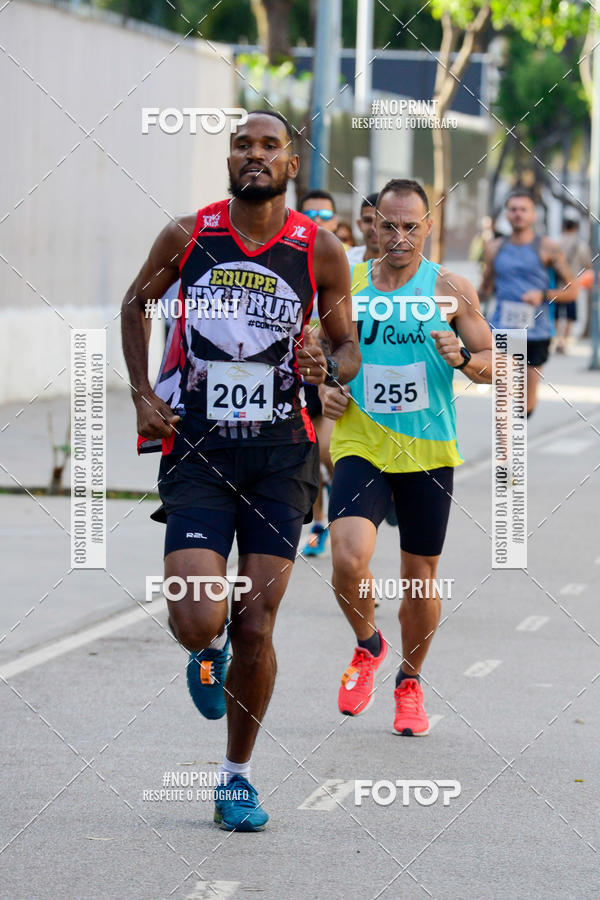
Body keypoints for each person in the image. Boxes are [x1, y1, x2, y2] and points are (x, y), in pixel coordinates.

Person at [121, 110, 360, 831]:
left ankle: (236, 779)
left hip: (282, 453)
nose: (253, 155)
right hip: (199, 448)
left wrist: (328, 367)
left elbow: (348, 349)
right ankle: (205, 650)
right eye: (241, 144)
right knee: (200, 617)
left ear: (292, 164)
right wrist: (141, 392)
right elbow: (137, 303)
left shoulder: (319, 251)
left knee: (257, 623)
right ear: (229, 157)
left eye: (269, 146)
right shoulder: (189, 234)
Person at [320, 178, 493, 735]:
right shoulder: (343, 285)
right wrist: (322, 387)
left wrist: (464, 356)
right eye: (387, 225)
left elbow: (496, 359)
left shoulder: (448, 288)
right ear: (370, 224)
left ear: (429, 225)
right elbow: (317, 354)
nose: (398, 237)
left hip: (427, 449)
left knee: (419, 580)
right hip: (360, 442)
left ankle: (410, 679)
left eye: (410, 226)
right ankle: (368, 646)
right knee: (347, 557)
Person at [479, 190, 577, 415]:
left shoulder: (547, 247)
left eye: (523, 209)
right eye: (513, 209)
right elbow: (485, 288)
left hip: (536, 331)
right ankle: (508, 442)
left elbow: (572, 290)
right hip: (503, 329)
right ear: (507, 214)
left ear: (533, 215)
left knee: (526, 403)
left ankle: (521, 420)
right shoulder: (495, 248)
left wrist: (542, 294)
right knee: (505, 396)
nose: (518, 214)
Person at [297, 189, 341, 557]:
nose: (317, 223)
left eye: (325, 216)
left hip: (327, 377)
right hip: (290, 380)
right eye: (310, 215)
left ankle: (353, 513)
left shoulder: (341, 263)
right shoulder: (287, 258)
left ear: (337, 222)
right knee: (310, 459)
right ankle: (318, 526)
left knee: (328, 454)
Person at [555, 217, 591, 353]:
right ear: (575, 228)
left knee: (557, 315)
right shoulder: (581, 245)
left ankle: (557, 339)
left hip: (557, 285)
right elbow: (587, 265)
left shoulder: (555, 243)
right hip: (573, 285)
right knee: (570, 315)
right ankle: (564, 342)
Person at [346, 192, 380, 266]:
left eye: (380, 220)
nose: (373, 228)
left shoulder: (402, 264)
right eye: (368, 220)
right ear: (359, 224)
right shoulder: (346, 261)